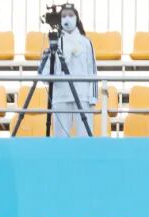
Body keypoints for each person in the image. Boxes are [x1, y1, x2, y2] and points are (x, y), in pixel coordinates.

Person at [48, 4, 97, 138]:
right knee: (60, 139)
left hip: (82, 96)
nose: (67, 19)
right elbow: (46, 72)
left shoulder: (86, 43)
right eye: (63, 16)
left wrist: (92, 98)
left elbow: (93, 70)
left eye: (70, 15)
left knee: (85, 137)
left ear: (77, 18)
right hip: (61, 96)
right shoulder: (55, 42)